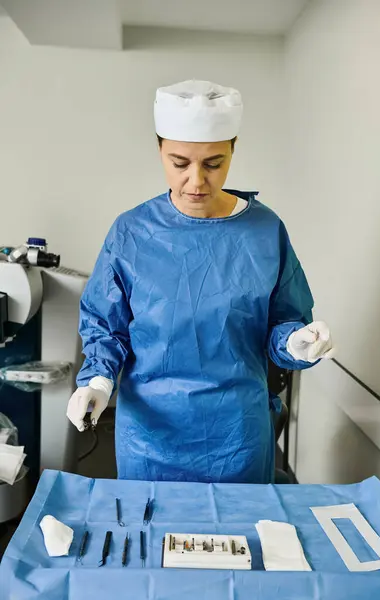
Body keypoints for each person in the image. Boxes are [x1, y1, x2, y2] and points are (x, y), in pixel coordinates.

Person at [67, 80, 334, 484]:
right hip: (149, 436)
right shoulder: (132, 232)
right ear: (159, 150)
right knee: (150, 541)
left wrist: (296, 342)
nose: (196, 181)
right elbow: (107, 325)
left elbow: (284, 324)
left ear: (232, 150)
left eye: (213, 163)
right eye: (179, 163)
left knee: (239, 540)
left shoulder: (264, 231)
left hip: (237, 435)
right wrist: (98, 380)